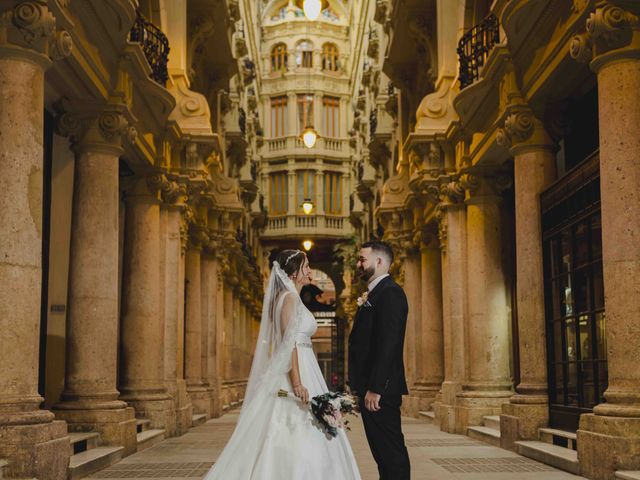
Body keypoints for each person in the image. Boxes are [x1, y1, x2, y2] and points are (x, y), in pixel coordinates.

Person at [204, 249, 361, 479]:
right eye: (306, 267)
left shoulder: (289, 297)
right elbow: (290, 344)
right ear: (294, 272)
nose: (309, 271)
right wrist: (297, 382)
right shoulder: (289, 299)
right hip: (298, 370)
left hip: (306, 365)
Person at [348, 240, 411, 480]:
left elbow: (389, 344)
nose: (358, 264)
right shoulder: (375, 293)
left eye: (362, 259)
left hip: (380, 391)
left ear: (379, 261)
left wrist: (376, 387)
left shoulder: (391, 293)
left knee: (391, 453)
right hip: (371, 389)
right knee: (381, 455)